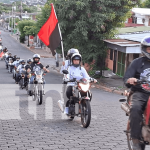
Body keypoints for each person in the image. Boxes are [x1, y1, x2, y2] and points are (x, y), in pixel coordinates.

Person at [123, 36, 150, 150]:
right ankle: (136, 140)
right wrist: (131, 80)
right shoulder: (137, 62)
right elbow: (127, 78)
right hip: (141, 92)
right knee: (136, 109)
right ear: (144, 49)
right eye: (149, 48)